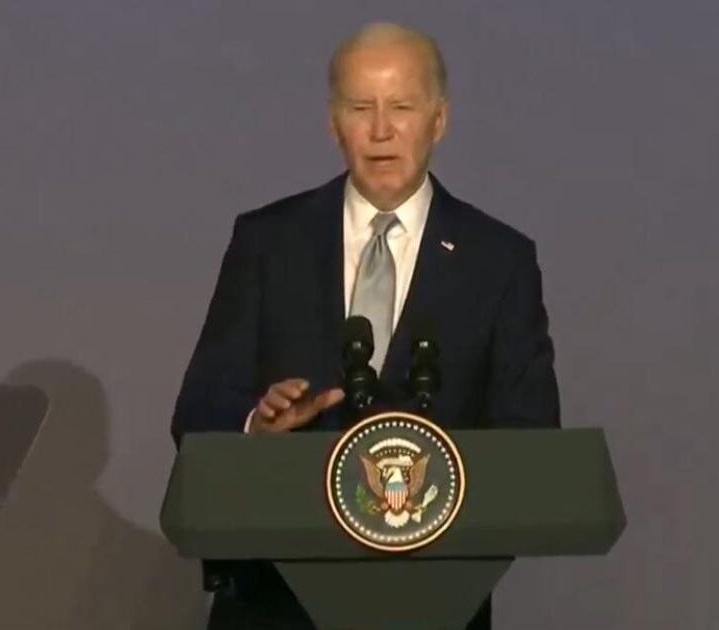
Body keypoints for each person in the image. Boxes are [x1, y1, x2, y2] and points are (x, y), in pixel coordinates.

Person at [171, 21, 560, 630]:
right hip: (277, 604)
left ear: (438, 120)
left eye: (401, 107)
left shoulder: (498, 261)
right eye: (361, 108)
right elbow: (197, 411)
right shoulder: (268, 242)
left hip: (434, 604)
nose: (381, 130)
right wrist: (256, 429)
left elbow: (531, 444)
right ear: (334, 125)